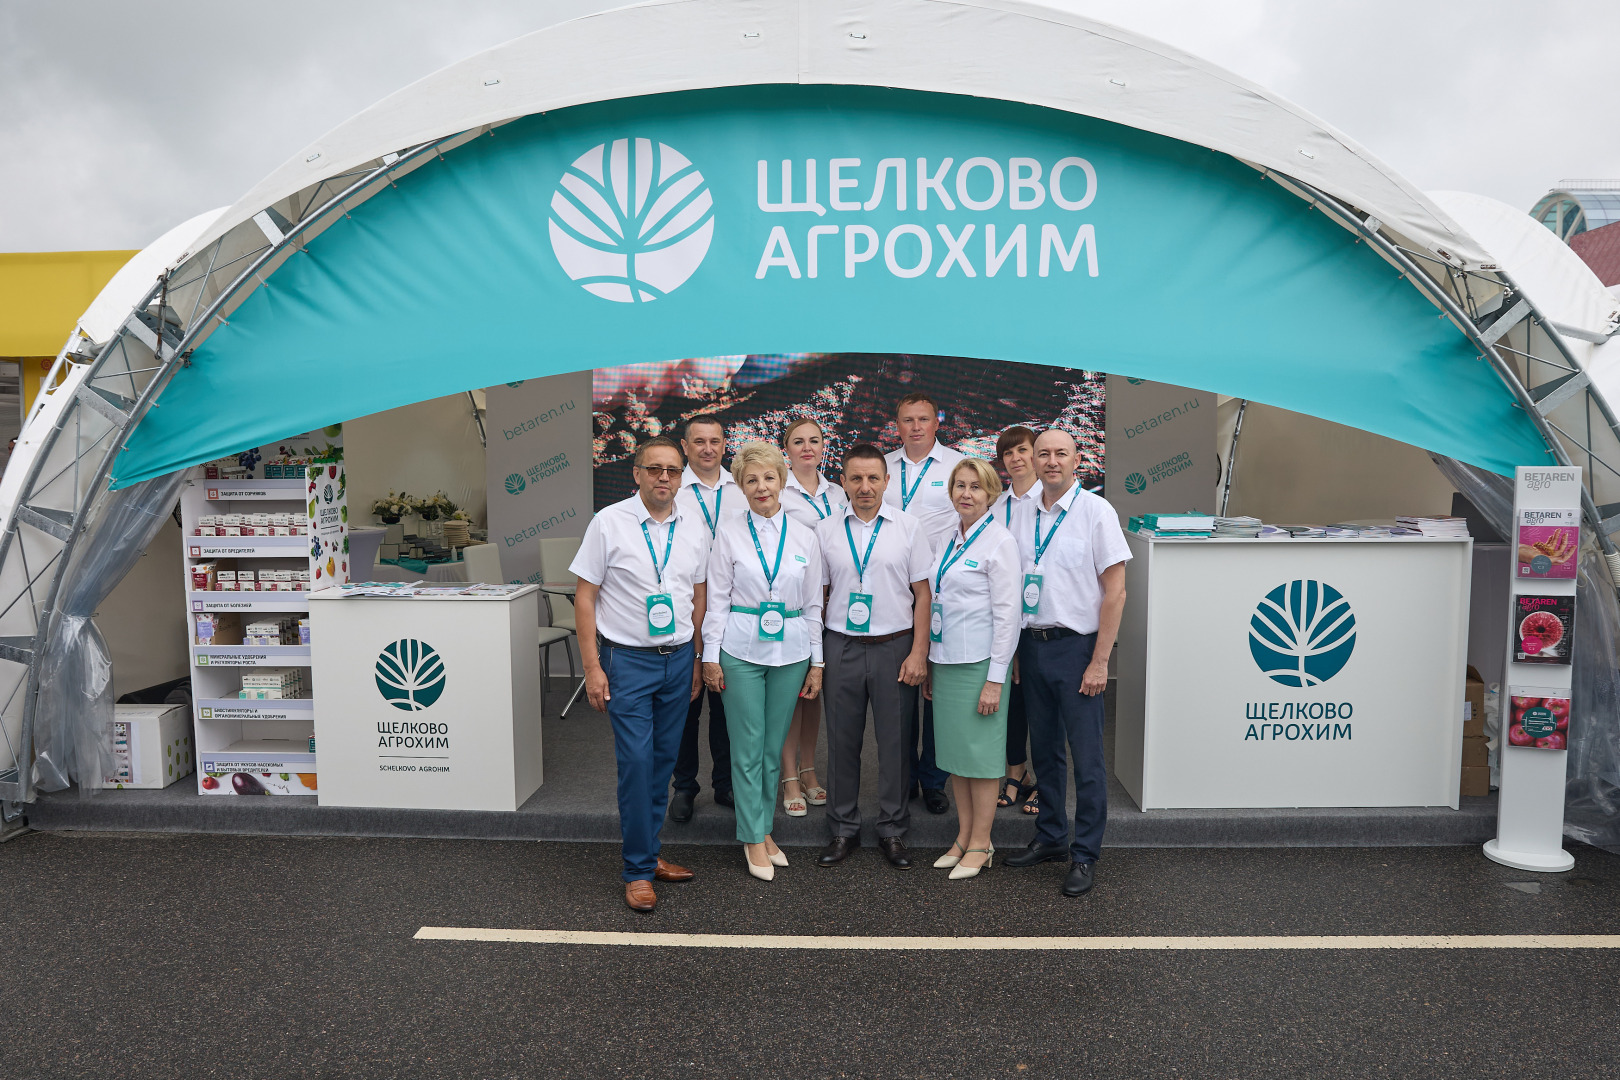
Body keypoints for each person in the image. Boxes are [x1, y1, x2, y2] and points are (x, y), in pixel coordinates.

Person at [570, 436, 710, 912]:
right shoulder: (608, 523)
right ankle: (636, 871)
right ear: (637, 474)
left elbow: (699, 592)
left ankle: (648, 855)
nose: (664, 477)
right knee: (635, 763)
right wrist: (592, 666)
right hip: (627, 662)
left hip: (677, 660)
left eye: (672, 469)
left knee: (663, 764)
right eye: (654, 469)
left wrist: (694, 655)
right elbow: (584, 597)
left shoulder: (694, 527)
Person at [1003, 429, 1129, 898]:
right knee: (1047, 752)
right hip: (1032, 646)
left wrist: (1100, 662)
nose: (1051, 461)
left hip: (1078, 651)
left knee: (1088, 759)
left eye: (1061, 453)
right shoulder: (1023, 515)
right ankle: (1052, 837)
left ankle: (1085, 854)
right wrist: (1016, 651)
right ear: (1032, 462)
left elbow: (1115, 591)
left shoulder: (1096, 512)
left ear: (1078, 459)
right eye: (1043, 454)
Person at [701, 442, 825, 880]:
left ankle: (764, 828)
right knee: (748, 746)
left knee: (773, 748)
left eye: (769, 478)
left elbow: (813, 606)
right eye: (751, 479)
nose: (761, 486)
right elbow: (716, 602)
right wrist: (710, 657)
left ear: (782, 481)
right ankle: (753, 837)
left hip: (792, 652)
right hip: (740, 651)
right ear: (740, 485)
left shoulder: (805, 536)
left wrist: (818, 663)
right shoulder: (729, 534)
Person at [816, 443, 933, 870]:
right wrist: (817, 656)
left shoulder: (908, 527)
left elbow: (924, 594)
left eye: (873, 478)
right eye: (856, 478)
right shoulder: (825, 530)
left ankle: (892, 829)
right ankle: (843, 828)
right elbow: (820, 596)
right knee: (842, 740)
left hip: (895, 647)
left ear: (887, 481)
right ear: (843, 482)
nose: (865, 487)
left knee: (896, 742)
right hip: (841, 645)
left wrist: (919, 651)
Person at [925, 458, 1021, 880]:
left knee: (980, 761)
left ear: (990, 494)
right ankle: (964, 836)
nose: (966, 493)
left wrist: (995, 681)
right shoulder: (949, 537)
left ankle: (982, 844)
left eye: (975, 487)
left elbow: (1008, 616)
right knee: (956, 758)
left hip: (980, 666)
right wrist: (929, 661)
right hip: (946, 662)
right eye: (959, 486)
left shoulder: (999, 541)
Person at [883, 393, 963, 817]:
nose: (915, 427)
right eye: (907, 419)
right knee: (902, 687)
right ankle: (904, 776)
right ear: (896, 425)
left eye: (923, 419)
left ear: (937, 423)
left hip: (943, 590)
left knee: (937, 690)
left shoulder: (956, 467)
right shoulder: (883, 469)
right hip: (893, 592)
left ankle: (933, 779)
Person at [669, 414, 743, 822]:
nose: (708, 449)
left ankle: (725, 783)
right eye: (699, 441)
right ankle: (684, 786)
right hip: (685, 609)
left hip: (732, 610)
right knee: (687, 703)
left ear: (724, 443)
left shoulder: (740, 489)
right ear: (685, 446)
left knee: (725, 703)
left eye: (715, 440)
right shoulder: (672, 492)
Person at [778, 417, 845, 816]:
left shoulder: (839, 493)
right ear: (786, 449)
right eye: (798, 441)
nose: (807, 447)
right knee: (790, 694)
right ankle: (789, 776)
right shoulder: (778, 491)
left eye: (814, 441)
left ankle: (809, 768)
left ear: (824, 447)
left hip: (834, 605)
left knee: (812, 691)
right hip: (792, 606)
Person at [990, 425, 1041, 816]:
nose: (1016, 459)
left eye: (1022, 450)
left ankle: (1044, 779)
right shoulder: (997, 507)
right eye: (1008, 453)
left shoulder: (1052, 499)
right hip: (1008, 619)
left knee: (1045, 705)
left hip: (1045, 620)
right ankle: (1015, 772)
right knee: (1013, 703)